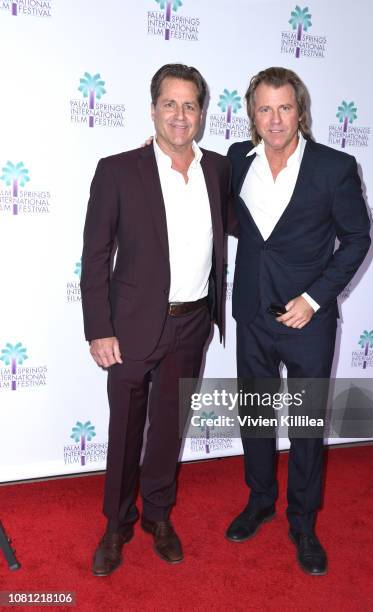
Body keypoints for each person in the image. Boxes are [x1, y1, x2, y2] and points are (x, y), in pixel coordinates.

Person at [80, 63, 231, 576]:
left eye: (190, 105)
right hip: (128, 327)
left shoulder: (217, 171)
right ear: (153, 109)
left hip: (192, 324)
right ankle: (116, 525)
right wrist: (99, 327)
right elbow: (96, 256)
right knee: (125, 430)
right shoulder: (118, 170)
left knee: (170, 427)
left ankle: (159, 517)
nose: (180, 115)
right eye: (170, 103)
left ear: (202, 113)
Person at [225, 67, 371, 576]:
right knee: (257, 417)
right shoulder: (235, 163)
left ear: (300, 110)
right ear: (252, 114)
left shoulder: (334, 167)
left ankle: (303, 523)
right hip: (252, 315)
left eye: (284, 107)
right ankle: (260, 499)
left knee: (307, 427)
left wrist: (313, 297)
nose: (275, 118)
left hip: (308, 320)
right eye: (264, 108)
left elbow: (357, 240)